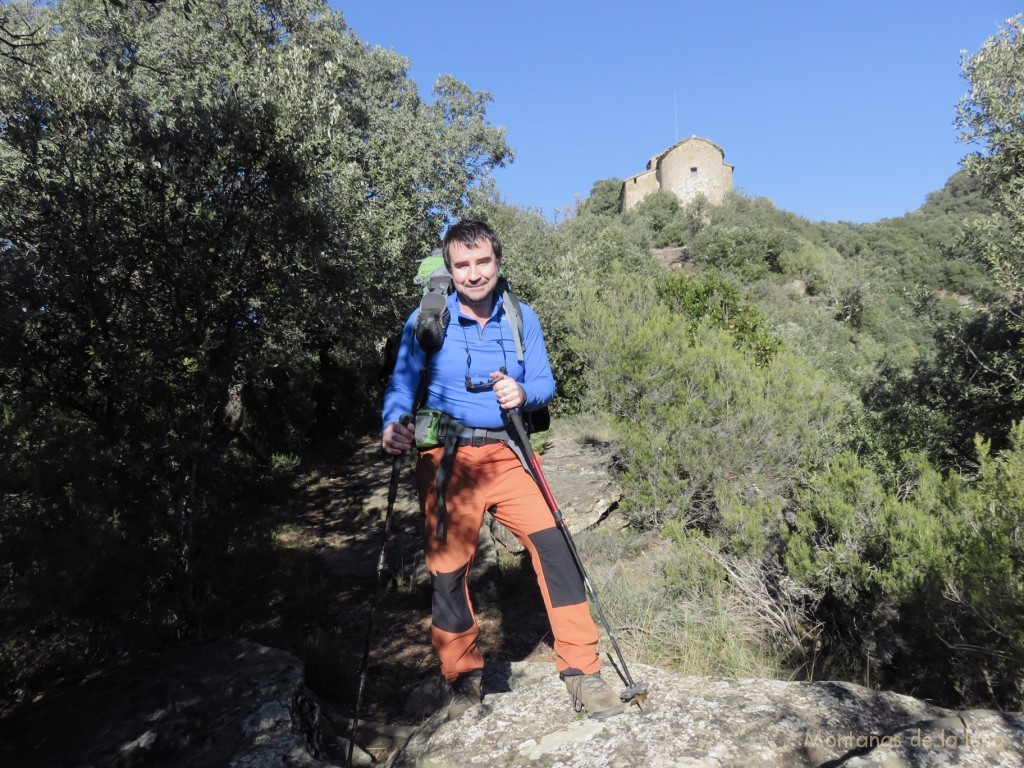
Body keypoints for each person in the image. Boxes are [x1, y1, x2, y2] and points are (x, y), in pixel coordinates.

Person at [381, 220, 624, 721]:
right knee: (449, 570)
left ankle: (582, 670)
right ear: (450, 270)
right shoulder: (428, 318)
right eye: (462, 265)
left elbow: (543, 380)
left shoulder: (521, 316)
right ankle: (462, 675)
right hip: (447, 458)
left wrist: (523, 393)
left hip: (510, 454)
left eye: (483, 262)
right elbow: (402, 384)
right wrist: (392, 424)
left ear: (498, 262)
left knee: (556, 549)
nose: (473, 274)